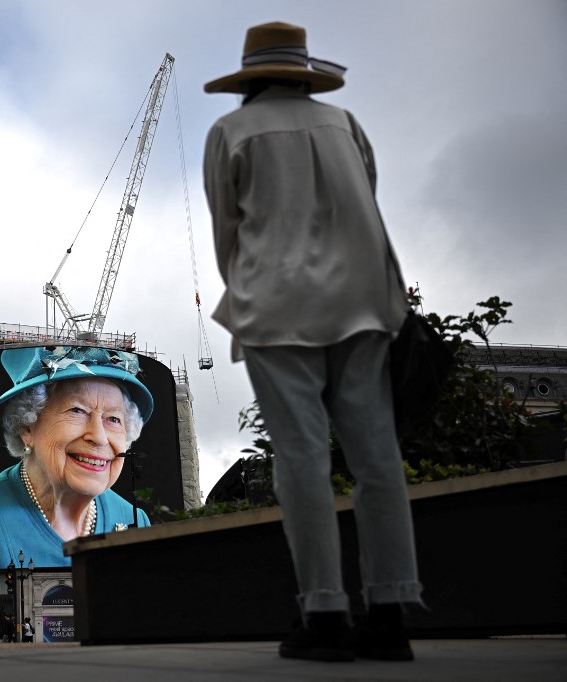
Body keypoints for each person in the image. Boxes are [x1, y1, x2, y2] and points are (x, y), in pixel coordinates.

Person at [203, 21, 422, 662]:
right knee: (377, 457)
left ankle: (324, 613)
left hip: (274, 304)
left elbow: (227, 230)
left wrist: (247, 284)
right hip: (363, 299)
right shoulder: (344, 123)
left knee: (300, 457)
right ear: (303, 73)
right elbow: (368, 202)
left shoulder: (231, 132)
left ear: (249, 79)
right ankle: (391, 611)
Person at [0, 345, 155, 570]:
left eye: (113, 419)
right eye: (77, 411)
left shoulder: (135, 520)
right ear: (27, 427)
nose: (99, 438)